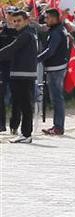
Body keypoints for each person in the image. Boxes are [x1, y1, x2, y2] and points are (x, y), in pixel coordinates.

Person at [0, 9, 38, 143]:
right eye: (14, 21)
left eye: (19, 21)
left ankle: (26, 134)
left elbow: (11, 49)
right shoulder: (27, 34)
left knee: (25, 106)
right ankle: (25, 134)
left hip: (23, 75)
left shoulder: (26, 35)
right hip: (22, 75)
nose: (16, 23)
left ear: (26, 21)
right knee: (24, 105)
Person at [37, 8, 69, 136]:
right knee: (57, 98)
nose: (45, 20)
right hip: (58, 68)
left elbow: (50, 50)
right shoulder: (59, 29)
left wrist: (36, 59)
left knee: (57, 99)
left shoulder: (57, 32)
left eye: (47, 17)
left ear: (54, 18)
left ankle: (58, 127)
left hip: (56, 69)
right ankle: (58, 126)